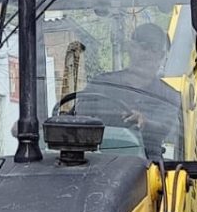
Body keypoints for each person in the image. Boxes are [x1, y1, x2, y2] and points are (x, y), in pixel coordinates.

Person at [77, 23, 181, 158]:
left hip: (148, 164)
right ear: (130, 48)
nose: (147, 54)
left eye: (153, 49)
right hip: (98, 161)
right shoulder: (101, 84)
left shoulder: (169, 96)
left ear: (161, 56)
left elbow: (163, 128)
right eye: (143, 47)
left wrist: (145, 122)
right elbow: (79, 120)